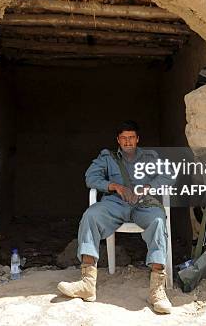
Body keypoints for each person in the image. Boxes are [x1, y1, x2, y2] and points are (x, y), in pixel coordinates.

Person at [57, 120, 173, 314]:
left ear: (138, 139)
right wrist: (115, 187)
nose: (128, 142)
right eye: (124, 138)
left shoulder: (150, 157)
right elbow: (91, 178)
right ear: (118, 140)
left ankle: (157, 291)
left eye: (131, 138)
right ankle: (87, 284)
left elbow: (169, 174)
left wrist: (147, 188)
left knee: (159, 221)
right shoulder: (107, 157)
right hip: (115, 204)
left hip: (144, 204)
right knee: (90, 215)